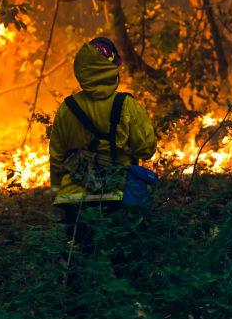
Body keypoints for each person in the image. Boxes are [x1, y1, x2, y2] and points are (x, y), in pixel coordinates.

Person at [49, 37, 157, 255]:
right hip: (116, 196)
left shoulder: (66, 109)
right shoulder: (126, 105)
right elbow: (146, 149)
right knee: (124, 263)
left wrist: (57, 194)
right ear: (112, 70)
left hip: (73, 200)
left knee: (82, 264)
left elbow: (56, 158)